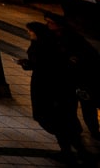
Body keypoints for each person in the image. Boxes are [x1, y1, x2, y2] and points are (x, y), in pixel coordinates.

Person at [21, 21, 93, 164]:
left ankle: (75, 151)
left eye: (31, 31)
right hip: (50, 88)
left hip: (52, 89)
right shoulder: (47, 45)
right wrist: (27, 64)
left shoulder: (48, 46)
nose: (29, 34)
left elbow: (48, 66)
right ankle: (73, 151)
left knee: (59, 121)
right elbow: (40, 64)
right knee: (61, 121)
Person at [46, 13, 100, 139]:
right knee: (70, 106)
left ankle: (93, 129)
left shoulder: (73, 38)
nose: (47, 25)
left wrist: (76, 60)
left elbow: (90, 55)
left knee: (87, 106)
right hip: (67, 78)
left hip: (81, 78)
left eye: (50, 22)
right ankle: (76, 128)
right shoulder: (52, 38)